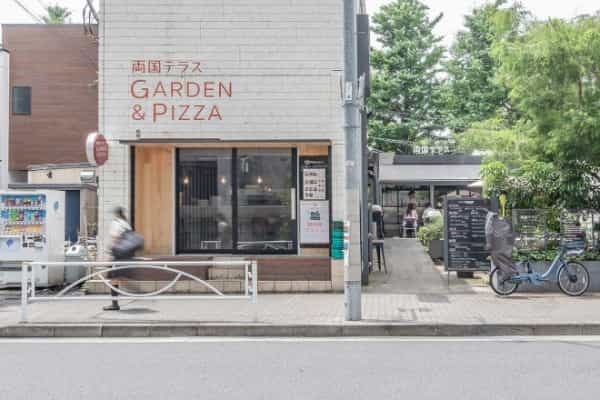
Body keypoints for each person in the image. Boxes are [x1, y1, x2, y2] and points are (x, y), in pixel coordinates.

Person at [103, 207, 131, 311]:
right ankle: (115, 302)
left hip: (118, 254)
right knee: (117, 277)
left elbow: (115, 238)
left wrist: (111, 255)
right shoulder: (126, 224)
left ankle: (114, 304)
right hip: (126, 255)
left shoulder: (116, 223)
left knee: (113, 278)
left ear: (116, 214)